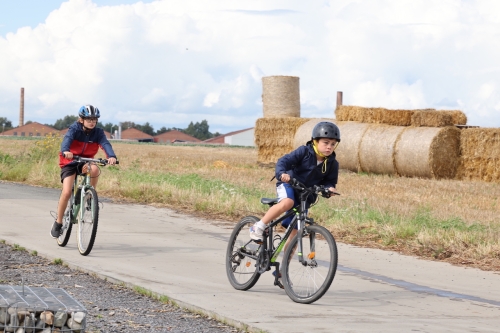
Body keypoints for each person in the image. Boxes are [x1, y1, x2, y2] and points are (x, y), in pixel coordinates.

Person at [249, 121, 341, 246]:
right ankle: (258, 227)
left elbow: (329, 181)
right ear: (315, 141)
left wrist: (329, 188)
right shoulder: (304, 151)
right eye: (325, 143)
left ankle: (285, 263)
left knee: (296, 232)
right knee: (288, 202)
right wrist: (282, 173)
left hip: (306, 195)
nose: (329, 147)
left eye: (333, 144)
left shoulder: (333, 164)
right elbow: (283, 161)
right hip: (289, 185)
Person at [50, 105, 117, 238]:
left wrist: (111, 156)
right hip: (69, 162)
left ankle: (90, 196)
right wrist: (66, 151)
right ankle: (58, 222)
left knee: (94, 168)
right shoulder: (74, 129)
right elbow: (67, 140)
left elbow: (105, 144)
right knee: (67, 192)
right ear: (81, 119)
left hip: (84, 161)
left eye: (94, 119)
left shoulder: (98, 132)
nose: (92, 122)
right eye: (89, 119)